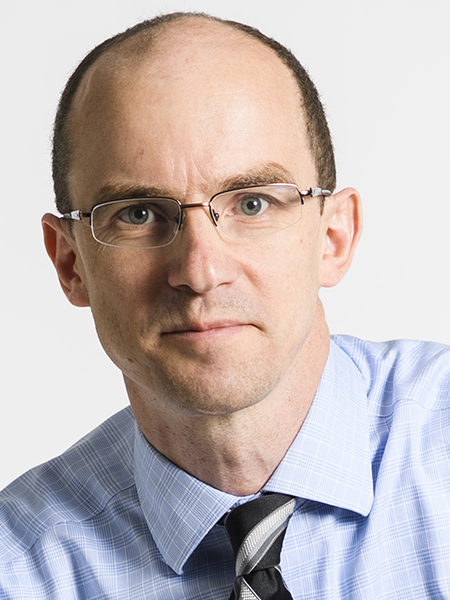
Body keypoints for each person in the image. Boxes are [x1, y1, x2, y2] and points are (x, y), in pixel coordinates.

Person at [1, 11, 450, 600]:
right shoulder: (20, 570)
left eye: (253, 203)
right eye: (138, 213)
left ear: (334, 237)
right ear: (70, 263)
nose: (200, 271)